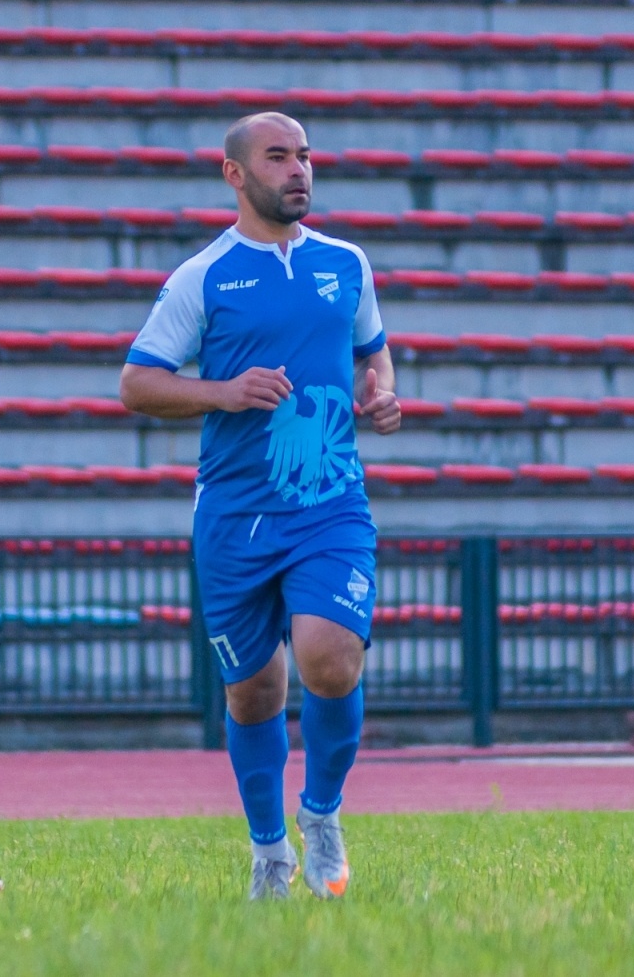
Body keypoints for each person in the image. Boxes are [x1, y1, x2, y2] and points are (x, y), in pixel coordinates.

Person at [119, 112, 400, 901]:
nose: (299, 170)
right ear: (236, 175)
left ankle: (322, 816)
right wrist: (223, 392)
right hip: (236, 512)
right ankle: (269, 850)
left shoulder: (347, 264)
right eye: (279, 157)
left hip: (330, 501)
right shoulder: (202, 277)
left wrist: (382, 392)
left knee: (330, 658)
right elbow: (138, 382)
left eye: (305, 155)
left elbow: (372, 349)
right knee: (255, 692)